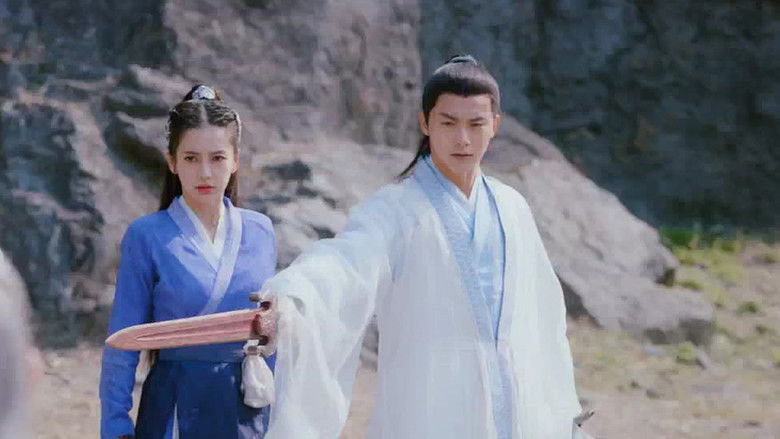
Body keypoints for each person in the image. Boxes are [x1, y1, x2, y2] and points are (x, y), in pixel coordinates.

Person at [261, 55, 590, 438]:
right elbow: (346, 262)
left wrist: (561, 414)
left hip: (517, 414)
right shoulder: (395, 209)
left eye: (476, 124)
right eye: (448, 123)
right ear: (425, 123)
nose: (462, 139)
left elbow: (545, 320)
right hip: (430, 410)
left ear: (495, 126)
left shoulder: (512, 207)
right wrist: (294, 298)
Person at [99, 85, 276, 439]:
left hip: (246, 406)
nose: (205, 173)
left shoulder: (260, 230)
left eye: (217, 158)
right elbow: (122, 340)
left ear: (235, 161)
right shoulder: (147, 236)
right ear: (172, 162)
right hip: (174, 407)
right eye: (192, 158)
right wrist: (115, 423)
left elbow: (269, 332)